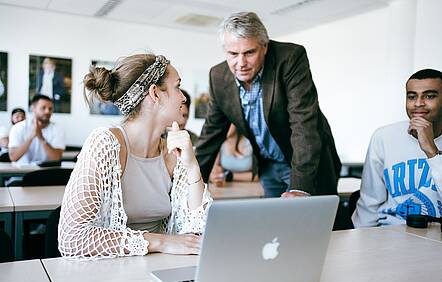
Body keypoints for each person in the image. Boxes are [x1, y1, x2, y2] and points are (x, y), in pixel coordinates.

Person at [58, 54, 213, 259]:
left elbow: (199, 230)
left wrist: (192, 166)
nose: (183, 97)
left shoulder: (173, 152)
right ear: (155, 93)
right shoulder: (104, 144)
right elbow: (72, 238)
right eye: (177, 87)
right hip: (105, 274)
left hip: (157, 269)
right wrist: (160, 241)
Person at [195, 12, 341, 197]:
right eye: (233, 54)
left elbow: (303, 124)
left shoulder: (290, 58)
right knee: (273, 223)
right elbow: (210, 136)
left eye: (249, 52)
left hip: (304, 163)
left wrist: (299, 188)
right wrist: (190, 186)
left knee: (309, 222)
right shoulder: (218, 76)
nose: (241, 63)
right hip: (267, 165)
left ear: (264, 46)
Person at [352, 69, 442, 227]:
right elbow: (369, 203)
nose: (418, 103)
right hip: (391, 234)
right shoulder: (383, 137)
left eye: (429, 96)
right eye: (411, 96)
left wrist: (431, 150)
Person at [9, 94, 65, 165]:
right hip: (20, 174)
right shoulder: (17, 128)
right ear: (33, 109)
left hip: (46, 174)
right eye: (43, 108)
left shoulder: (58, 129)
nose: (47, 111)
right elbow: (13, 157)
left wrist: (41, 137)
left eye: (50, 109)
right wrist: (32, 136)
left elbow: (56, 158)